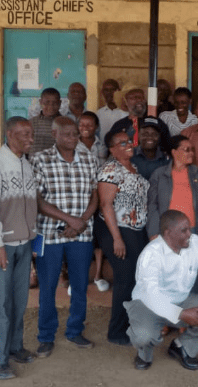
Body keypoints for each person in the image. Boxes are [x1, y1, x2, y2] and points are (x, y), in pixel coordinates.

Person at [125, 210, 198, 370]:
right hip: (147, 304)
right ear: (168, 233)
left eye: (189, 229)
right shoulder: (151, 254)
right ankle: (144, 353)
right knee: (143, 336)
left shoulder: (194, 242)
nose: (190, 233)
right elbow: (152, 296)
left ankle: (182, 347)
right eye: (184, 230)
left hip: (181, 300)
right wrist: (181, 314)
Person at [0, 116, 38, 380]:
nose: (30, 138)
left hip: (24, 244)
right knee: (1, 304)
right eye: (23, 134)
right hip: (3, 246)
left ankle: (15, 347)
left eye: (30, 134)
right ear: (9, 134)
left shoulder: (26, 165)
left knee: (19, 301)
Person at [31, 116, 99, 357]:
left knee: (79, 285)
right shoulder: (40, 159)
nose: (73, 138)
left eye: (76, 134)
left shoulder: (89, 158)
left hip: (82, 233)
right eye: (67, 134)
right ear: (54, 134)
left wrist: (80, 221)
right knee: (47, 287)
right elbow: (37, 200)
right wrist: (69, 219)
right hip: (49, 234)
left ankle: (74, 331)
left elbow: (95, 195)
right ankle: (46, 335)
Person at [95, 131, 150, 345]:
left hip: (135, 229)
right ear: (112, 149)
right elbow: (106, 204)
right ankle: (116, 331)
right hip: (115, 229)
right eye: (122, 143)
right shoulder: (111, 169)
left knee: (135, 278)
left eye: (129, 141)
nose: (128, 145)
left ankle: (129, 324)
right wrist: (117, 239)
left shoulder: (134, 168)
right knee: (125, 278)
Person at [147, 135, 198, 295]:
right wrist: (153, 232)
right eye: (186, 149)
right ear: (173, 152)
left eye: (192, 149)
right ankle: (173, 317)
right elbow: (152, 205)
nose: (191, 153)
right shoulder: (159, 175)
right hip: (168, 235)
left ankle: (193, 318)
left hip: (194, 233)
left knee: (195, 279)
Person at [76, 111, 110, 293]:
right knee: (81, 235)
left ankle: (98, 275)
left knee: (98, 233)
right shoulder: (72, 145)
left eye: (90, 125)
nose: (85, 128)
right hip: (79, 196)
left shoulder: (102, 146)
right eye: (82, 125)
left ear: (96, 127)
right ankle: (78, 277)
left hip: (100, 194)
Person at [109, 86, 170, 151]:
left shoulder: (156, 122)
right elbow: (113, 150)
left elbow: (167, 146)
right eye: (133, 98)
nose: (138, 100)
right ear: (125, 102)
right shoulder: (119, 125)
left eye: (140, 97)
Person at [130, 116, 169, 181]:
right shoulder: (129, 156)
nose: (150, 137)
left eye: (154, 134)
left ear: (159, 137)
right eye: (145, 134)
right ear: (139, 135)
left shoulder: (167, 160)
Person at [29, 87, 61, 157]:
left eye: (55, 103)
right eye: (46, 102)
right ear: (40, 102)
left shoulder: (65, 124)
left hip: (57, 165)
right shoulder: (31, 123)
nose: (50, 106)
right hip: (33, 165)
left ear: (60, 103)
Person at [97, 79, 128, 144]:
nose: (109, 93)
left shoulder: (126, 113)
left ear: (118, 91)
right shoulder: (98, 114)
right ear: (102, 92)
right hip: (102, 151)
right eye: (106, 90)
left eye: (112, 90)